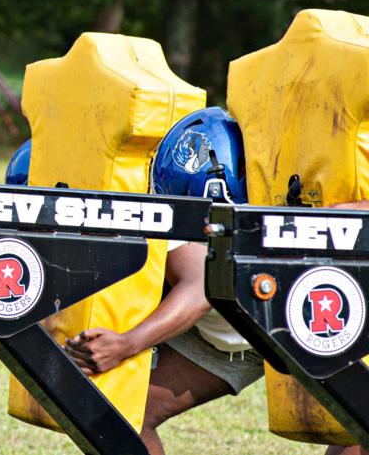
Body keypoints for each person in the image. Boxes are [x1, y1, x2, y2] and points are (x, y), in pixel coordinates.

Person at [59, 108, 264, 455]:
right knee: (121, 416)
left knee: (352, 425)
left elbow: (200, 288)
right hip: (217, 331)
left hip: (286, 325)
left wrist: (127, 343)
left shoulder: (181, 199)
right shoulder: (142, 183)